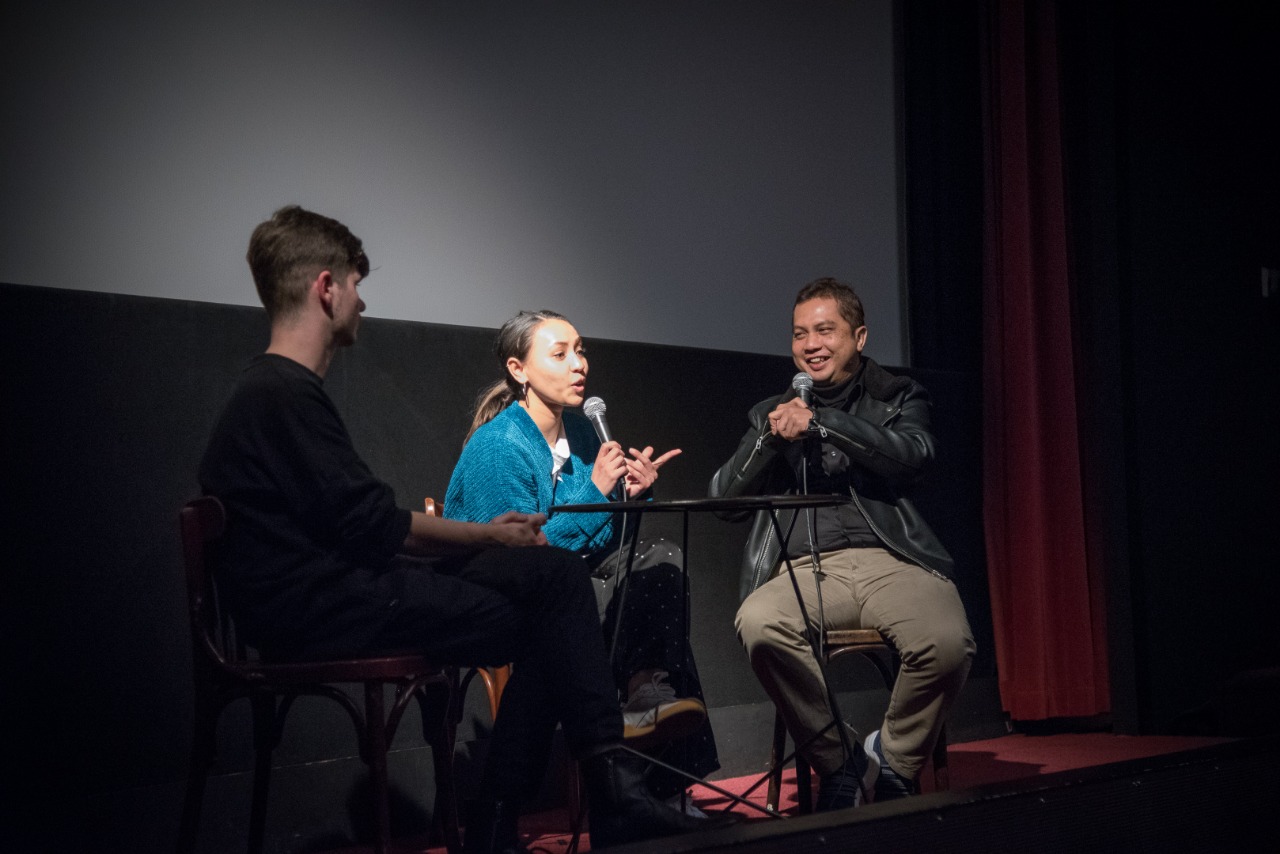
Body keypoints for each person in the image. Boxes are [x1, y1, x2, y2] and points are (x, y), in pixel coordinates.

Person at [198, 205, 724, 852]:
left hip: (327, 593)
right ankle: (583, 798)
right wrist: (488, 536)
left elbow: (360, 522)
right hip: (315, 609)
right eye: (357, 287)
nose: (362, 305)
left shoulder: (278, 393)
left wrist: (527, 528)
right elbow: (373, 526)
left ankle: (530, 814)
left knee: (554, 595)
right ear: (326, 288)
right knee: (553, 597)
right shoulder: (281, 396)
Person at [709, 277, 975, 810]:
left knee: (948, 643)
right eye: (800, 334)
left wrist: (825, 424)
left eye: (825, 331)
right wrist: (769, 437)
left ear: (858, 337)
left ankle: (895, 760)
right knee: (760, 625)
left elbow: (914, 456)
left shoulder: (895, 395)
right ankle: (842, 761)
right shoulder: (772, 411)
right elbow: (724, 500)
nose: (811, 344)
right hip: (804, 569)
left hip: (890, 561)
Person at [443, 310, 720, 809]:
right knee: (624, 609)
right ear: (518, 369)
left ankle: (647, 701)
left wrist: (629, 499)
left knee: (658, 561)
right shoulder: (498, 447)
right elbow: (519, 556)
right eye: (560, 353)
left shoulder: (585, 435)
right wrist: (597, 488)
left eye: (581, 350)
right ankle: (656, 782)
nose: (579, 365)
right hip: (512, 600)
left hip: (575, 585)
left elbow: (609, 543)